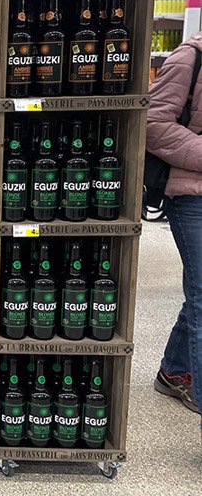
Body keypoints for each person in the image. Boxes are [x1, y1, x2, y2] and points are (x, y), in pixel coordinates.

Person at [147, 31, 202, 428]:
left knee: (200, 293)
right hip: (191, 195)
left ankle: (173, 371)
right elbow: (152, 123)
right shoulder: (190, 57)